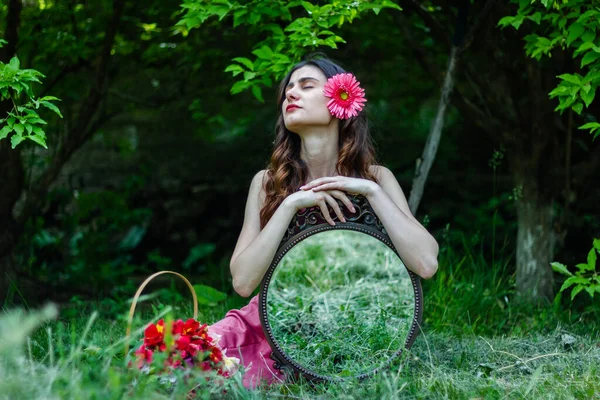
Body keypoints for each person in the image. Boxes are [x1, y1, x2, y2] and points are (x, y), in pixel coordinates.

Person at [208, 55, 439, 389]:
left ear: (338, 101)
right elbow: (243, 283)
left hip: (353, 326)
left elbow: (426, 262)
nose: (291, 94)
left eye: (306, 86)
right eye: (288, 89)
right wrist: (289, 205)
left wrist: (372, 192)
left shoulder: (376, 179)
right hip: (270, 323)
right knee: (179, 356)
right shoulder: (267, 183)